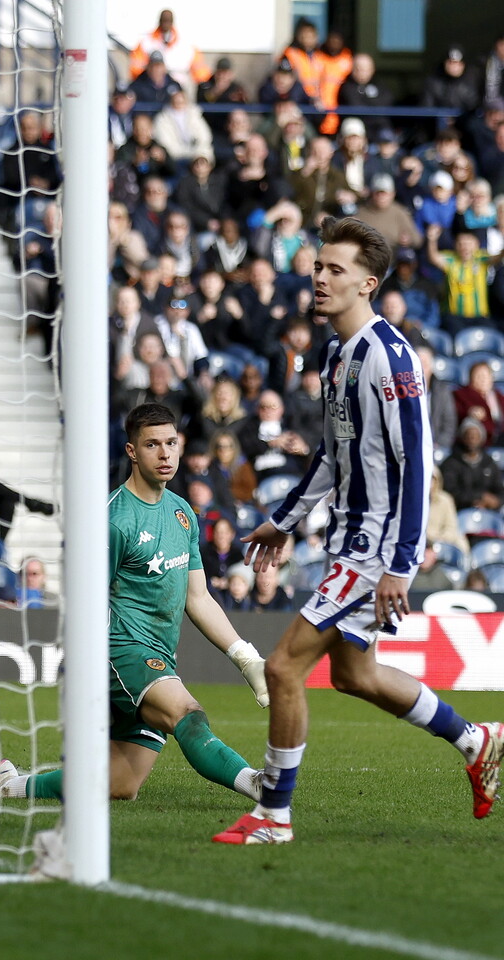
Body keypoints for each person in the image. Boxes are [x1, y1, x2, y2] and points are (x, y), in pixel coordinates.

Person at [214, 216, 504, 846]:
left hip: (375, 548)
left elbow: (415, 461)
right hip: (347, 539)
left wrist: (401, 562)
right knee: (354, 675)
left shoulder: (390, 357)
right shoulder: (336, 352)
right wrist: (283, 522)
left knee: (284, 668)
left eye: (334, 269)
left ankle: (274, 816)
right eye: (318, 266)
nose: (319, 277)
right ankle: (476, 739)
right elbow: (331, 452)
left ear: (368, 283)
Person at [0, 403, 269, 804]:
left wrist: (245, 658)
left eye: (170, 443)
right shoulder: (113, 519)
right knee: (187, 714)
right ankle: (260, 784)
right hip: (121, 651)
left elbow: (197, 598)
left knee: (119, 785)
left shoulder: (182, 513)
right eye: (152, 445)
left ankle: (4, 783)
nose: (165, 454)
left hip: (160, 654)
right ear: (132, 452)